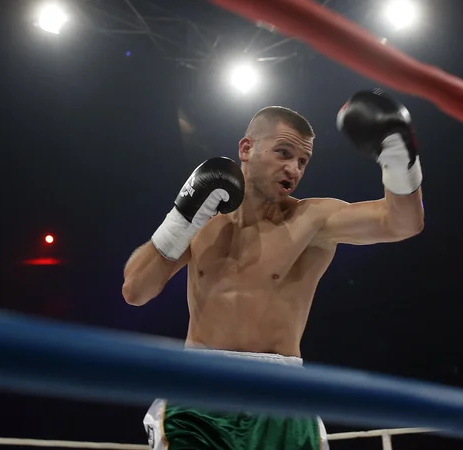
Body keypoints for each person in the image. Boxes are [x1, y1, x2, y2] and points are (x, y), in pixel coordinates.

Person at [121, 89, 425, 450]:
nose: (293, 169)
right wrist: (181, 218)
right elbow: (135, 291)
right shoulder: (203, 218)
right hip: (201, 395)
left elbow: (402, 222)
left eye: (302, 161)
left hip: (281, 396)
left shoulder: (312, 220)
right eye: (284, 153)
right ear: (246, 149)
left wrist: (397, 151)